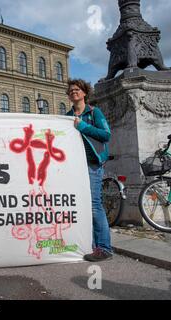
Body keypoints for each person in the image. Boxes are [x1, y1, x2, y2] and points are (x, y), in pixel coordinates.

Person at [66, 78, 113, 262]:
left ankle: (105, 248)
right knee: (83, 207)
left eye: (77, 89)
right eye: (70, 91)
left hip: (92, 164)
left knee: (94, 205)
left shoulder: (94, 112)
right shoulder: (68, 116)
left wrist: (84, 127)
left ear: (84, 93)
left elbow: (106, 135)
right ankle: (92, 245)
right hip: (76, 167)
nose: (73, 92)